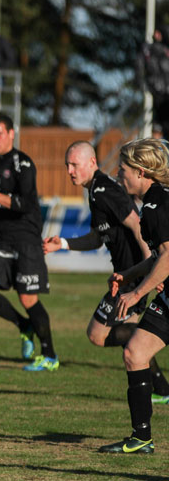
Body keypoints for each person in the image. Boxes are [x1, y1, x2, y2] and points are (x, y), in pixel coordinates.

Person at [43, 141, 169, 400]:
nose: (69, 170)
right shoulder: (95, 192)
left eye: (74, 164)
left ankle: (160, 381)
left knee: (97, 334)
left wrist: (152, 270)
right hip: (129, 274)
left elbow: (136, 226)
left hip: (132, 275)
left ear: (91, 163)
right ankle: (161, 389)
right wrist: (64, 244)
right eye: (67, 165)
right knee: (131, 344)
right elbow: (97, 238)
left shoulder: (104, 190)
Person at [98, 138, 169, 454]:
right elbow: (159, 257)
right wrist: (129, 275)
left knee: (134, 352)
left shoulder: (156, 206)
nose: (118, 174)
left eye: (123, 168)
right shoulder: (154, 202)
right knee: (135, 353)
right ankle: (141, 438)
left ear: (141, 172)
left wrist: (138, 291)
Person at [0, 113, 58, 371]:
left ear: (12, 133)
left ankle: (50, 356)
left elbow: (26, 204)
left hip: (25, 235)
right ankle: (24, 325)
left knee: (28, 298)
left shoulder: (24, 164)